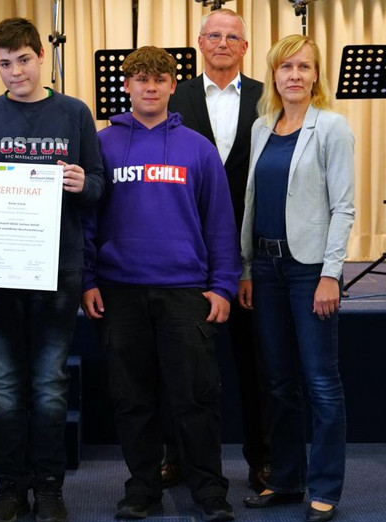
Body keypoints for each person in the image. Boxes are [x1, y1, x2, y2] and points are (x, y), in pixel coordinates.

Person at [81, 46, 240, 522]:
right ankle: (142, 489)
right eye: (140, 79)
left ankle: (209, 490)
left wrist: (223, 286)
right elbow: (87, 220)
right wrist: (89, 279)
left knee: (195, 397)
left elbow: (220, 222)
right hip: (120, 291)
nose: (149, 87)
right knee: (133, 399)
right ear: (125, 86)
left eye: (159, 79)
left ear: (173, 86)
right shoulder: (102, 145)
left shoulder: (197, 147)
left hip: (185, 292)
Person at [0, 17, 104, 522]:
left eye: (23, 59)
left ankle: (49, 486)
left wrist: (85, 182)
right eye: (4, 63)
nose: (15, 71)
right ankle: (10, 487)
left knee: (48, 383)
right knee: (2, 384)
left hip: (58, 269)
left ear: (42, 56)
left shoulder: (75, 113)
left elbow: (100, 189)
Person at [239, 34, 355, 522]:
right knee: (279, 382)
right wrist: (246, 267)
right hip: (264, 269)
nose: (294, 76)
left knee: (320, 382)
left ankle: (324, 486)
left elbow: (344, 208)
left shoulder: (332, 128)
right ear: (274, 74)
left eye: (304, 67)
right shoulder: (262, 126)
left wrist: (332, 275)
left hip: (309, 271)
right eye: (286, 67)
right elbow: (252, 203)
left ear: (316, 75)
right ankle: (285, 479)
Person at [166, 8, 270, 492]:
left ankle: (261, 459)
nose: (224, 43)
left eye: (233, 37)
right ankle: (175, 458)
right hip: (185, 249)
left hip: (251, 251)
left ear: (245, 48)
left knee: (255, 365)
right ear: (199, 43)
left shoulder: (265, 97)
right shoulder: (176, 95)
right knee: (181, 364)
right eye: (215, 35)